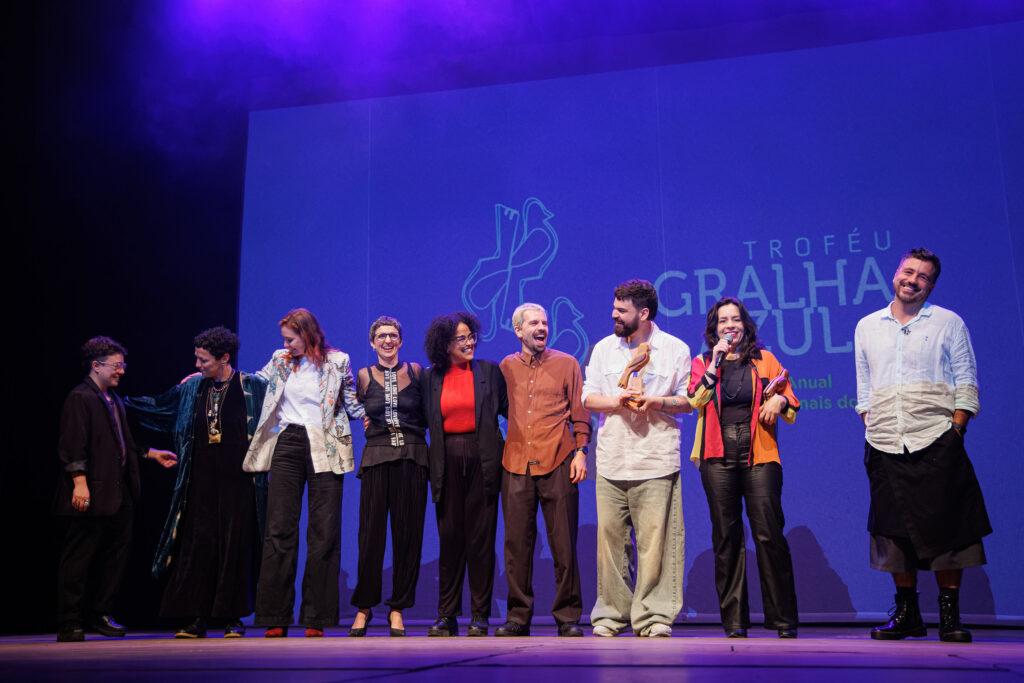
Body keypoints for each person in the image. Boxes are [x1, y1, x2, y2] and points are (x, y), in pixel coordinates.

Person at [855, 247, 991, 643]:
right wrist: (872, 422)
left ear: (931, 285)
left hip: (935, 438)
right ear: (895, 273)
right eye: (908, 271)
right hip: (884, 442)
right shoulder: (867, 325)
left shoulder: (948, 322)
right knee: (895, 533)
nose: (912, 280)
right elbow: (864, 388)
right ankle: (908, 615)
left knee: (951, 530)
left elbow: (966, 380)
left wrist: (957, 429)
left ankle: (949, 618)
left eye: (923, 276)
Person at [126, 326, 267, 639]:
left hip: (239, 481)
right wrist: (119, 403)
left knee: (234, 547)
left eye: (204, 360)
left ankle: (233, 618)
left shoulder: (252, 386)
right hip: (200, 480)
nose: (198, 365)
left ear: (224, 358)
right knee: (198, 546)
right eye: (197, 359)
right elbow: (159, 407)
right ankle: (194, 618)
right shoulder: (193, 388)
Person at [242, 308, 365, 638]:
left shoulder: (338, 361)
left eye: (290, 338)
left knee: (324, 531)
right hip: (288, 441)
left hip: (325, 443)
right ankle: (275, 615)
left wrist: (377, 413)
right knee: (279, 527)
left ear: (308, 334)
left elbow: (351, 403)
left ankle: (317, 617)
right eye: (284, 339)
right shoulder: (280, 359)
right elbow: (254, 383)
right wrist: (211, 378)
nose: (286, 344)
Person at [582, 279, 692, 637]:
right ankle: (611, 615)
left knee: (656, 543)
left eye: (621, 310)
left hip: (656, 459)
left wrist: (656, 402)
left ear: (644, 314)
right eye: (614, 308)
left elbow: (689, 400)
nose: (613, 315)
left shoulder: (675, 349)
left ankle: (654, 616)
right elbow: (588, 398)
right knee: (610, 545)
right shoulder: (603, 349)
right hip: (612, 459)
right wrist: (618, 400)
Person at [687, 297, 800, 639]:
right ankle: (735, 621)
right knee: (727, 538)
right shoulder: (704, 361)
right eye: (723, 321)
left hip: (760, 456)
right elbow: (695, 399)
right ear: (714, 329)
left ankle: (783, 620)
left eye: (736, 319)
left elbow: (790, 398)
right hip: (717, 458)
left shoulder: (764, 359)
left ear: (745, 325)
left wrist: (780, 400)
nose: (730, 325)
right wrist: (714, 364)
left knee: (769, 534)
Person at [55, 337, 177, 642]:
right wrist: (79, 483)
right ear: (96, 366)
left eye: (123, 365)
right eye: (116, 365)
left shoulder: (112, 400)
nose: (121, 371)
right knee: (79, 558)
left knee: (115, 558)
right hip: (90, 491)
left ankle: (100, 614)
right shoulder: (80, 398)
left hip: (118, 492)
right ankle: (70, 621)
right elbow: (72, 446)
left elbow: (121, 444)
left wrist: (150, 453)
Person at [495, 303, 590, 638]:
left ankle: (567, 616)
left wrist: (581, 452)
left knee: (564, 543)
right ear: (518, 329)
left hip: (559, 459)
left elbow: (579, 412)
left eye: (545, 323)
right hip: (516, 463)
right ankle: (518, 617)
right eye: (533, 323)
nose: (541, 328)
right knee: (517, 545)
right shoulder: (505, 367)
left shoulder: (567, 363)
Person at [421, 311, 508, 637]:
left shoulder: (488, 371)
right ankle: (447, 615)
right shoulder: (430, 378)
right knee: (450, 541)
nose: (470, 341)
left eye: (471, 336)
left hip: (483, 459)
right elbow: (416, 418)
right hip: (445, 461)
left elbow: (511, 411)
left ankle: (480, 616)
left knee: (481, 542)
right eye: (462, 338)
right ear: (444, 344)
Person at [348, 317, 429, 638]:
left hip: (412, 456)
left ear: (401, 340)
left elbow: (429, 411)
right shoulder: (364, 376)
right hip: (377, 458)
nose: (387, 340)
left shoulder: (418, 372)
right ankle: (364, 607)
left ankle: (398, 608)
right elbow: (351, 408)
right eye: (381, 336)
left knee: (408, 536)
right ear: (372, 342)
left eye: (393, 335)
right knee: (370, 536)